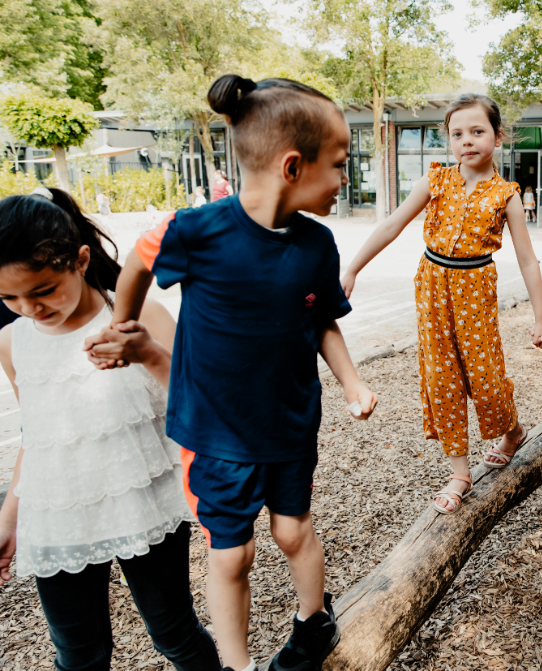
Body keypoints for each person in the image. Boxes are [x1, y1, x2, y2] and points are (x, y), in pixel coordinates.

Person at [90, 75, 378, 671]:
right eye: (341, 164)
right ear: (293, 166)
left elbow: (323, 319)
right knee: (231, 556)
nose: (345, 179)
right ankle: (237, 664)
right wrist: (121, 324)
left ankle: (312, 624)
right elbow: (137, 261)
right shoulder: (198, 232)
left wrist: (351, 382)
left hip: (290, 424)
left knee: (295, 532)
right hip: (216, 435)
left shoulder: (317, 246)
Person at [0, 187, 220, 670]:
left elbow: (203, 402)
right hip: (57, 513)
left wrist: (147, 353)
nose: (28, 308)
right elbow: (37, 437)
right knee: (78, 654)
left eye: (42, 291)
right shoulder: (12, 341)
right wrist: (10, 516)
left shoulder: (138, 313)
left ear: (80, 260)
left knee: (175, 634)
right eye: (8, 297)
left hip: (142, 502)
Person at [341, 93, 542, 515]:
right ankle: (460, 471)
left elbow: (528, 260)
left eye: (477, 131)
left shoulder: (506, 194)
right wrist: (352, 269)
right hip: (432, 286)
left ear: (498, 137)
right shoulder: (435, 180)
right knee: (442, 376)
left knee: (486, 376)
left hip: (475, 287)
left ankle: (512, 432)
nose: (467, 141)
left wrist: (541, 318)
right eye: (457, 133)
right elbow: (391, 225)